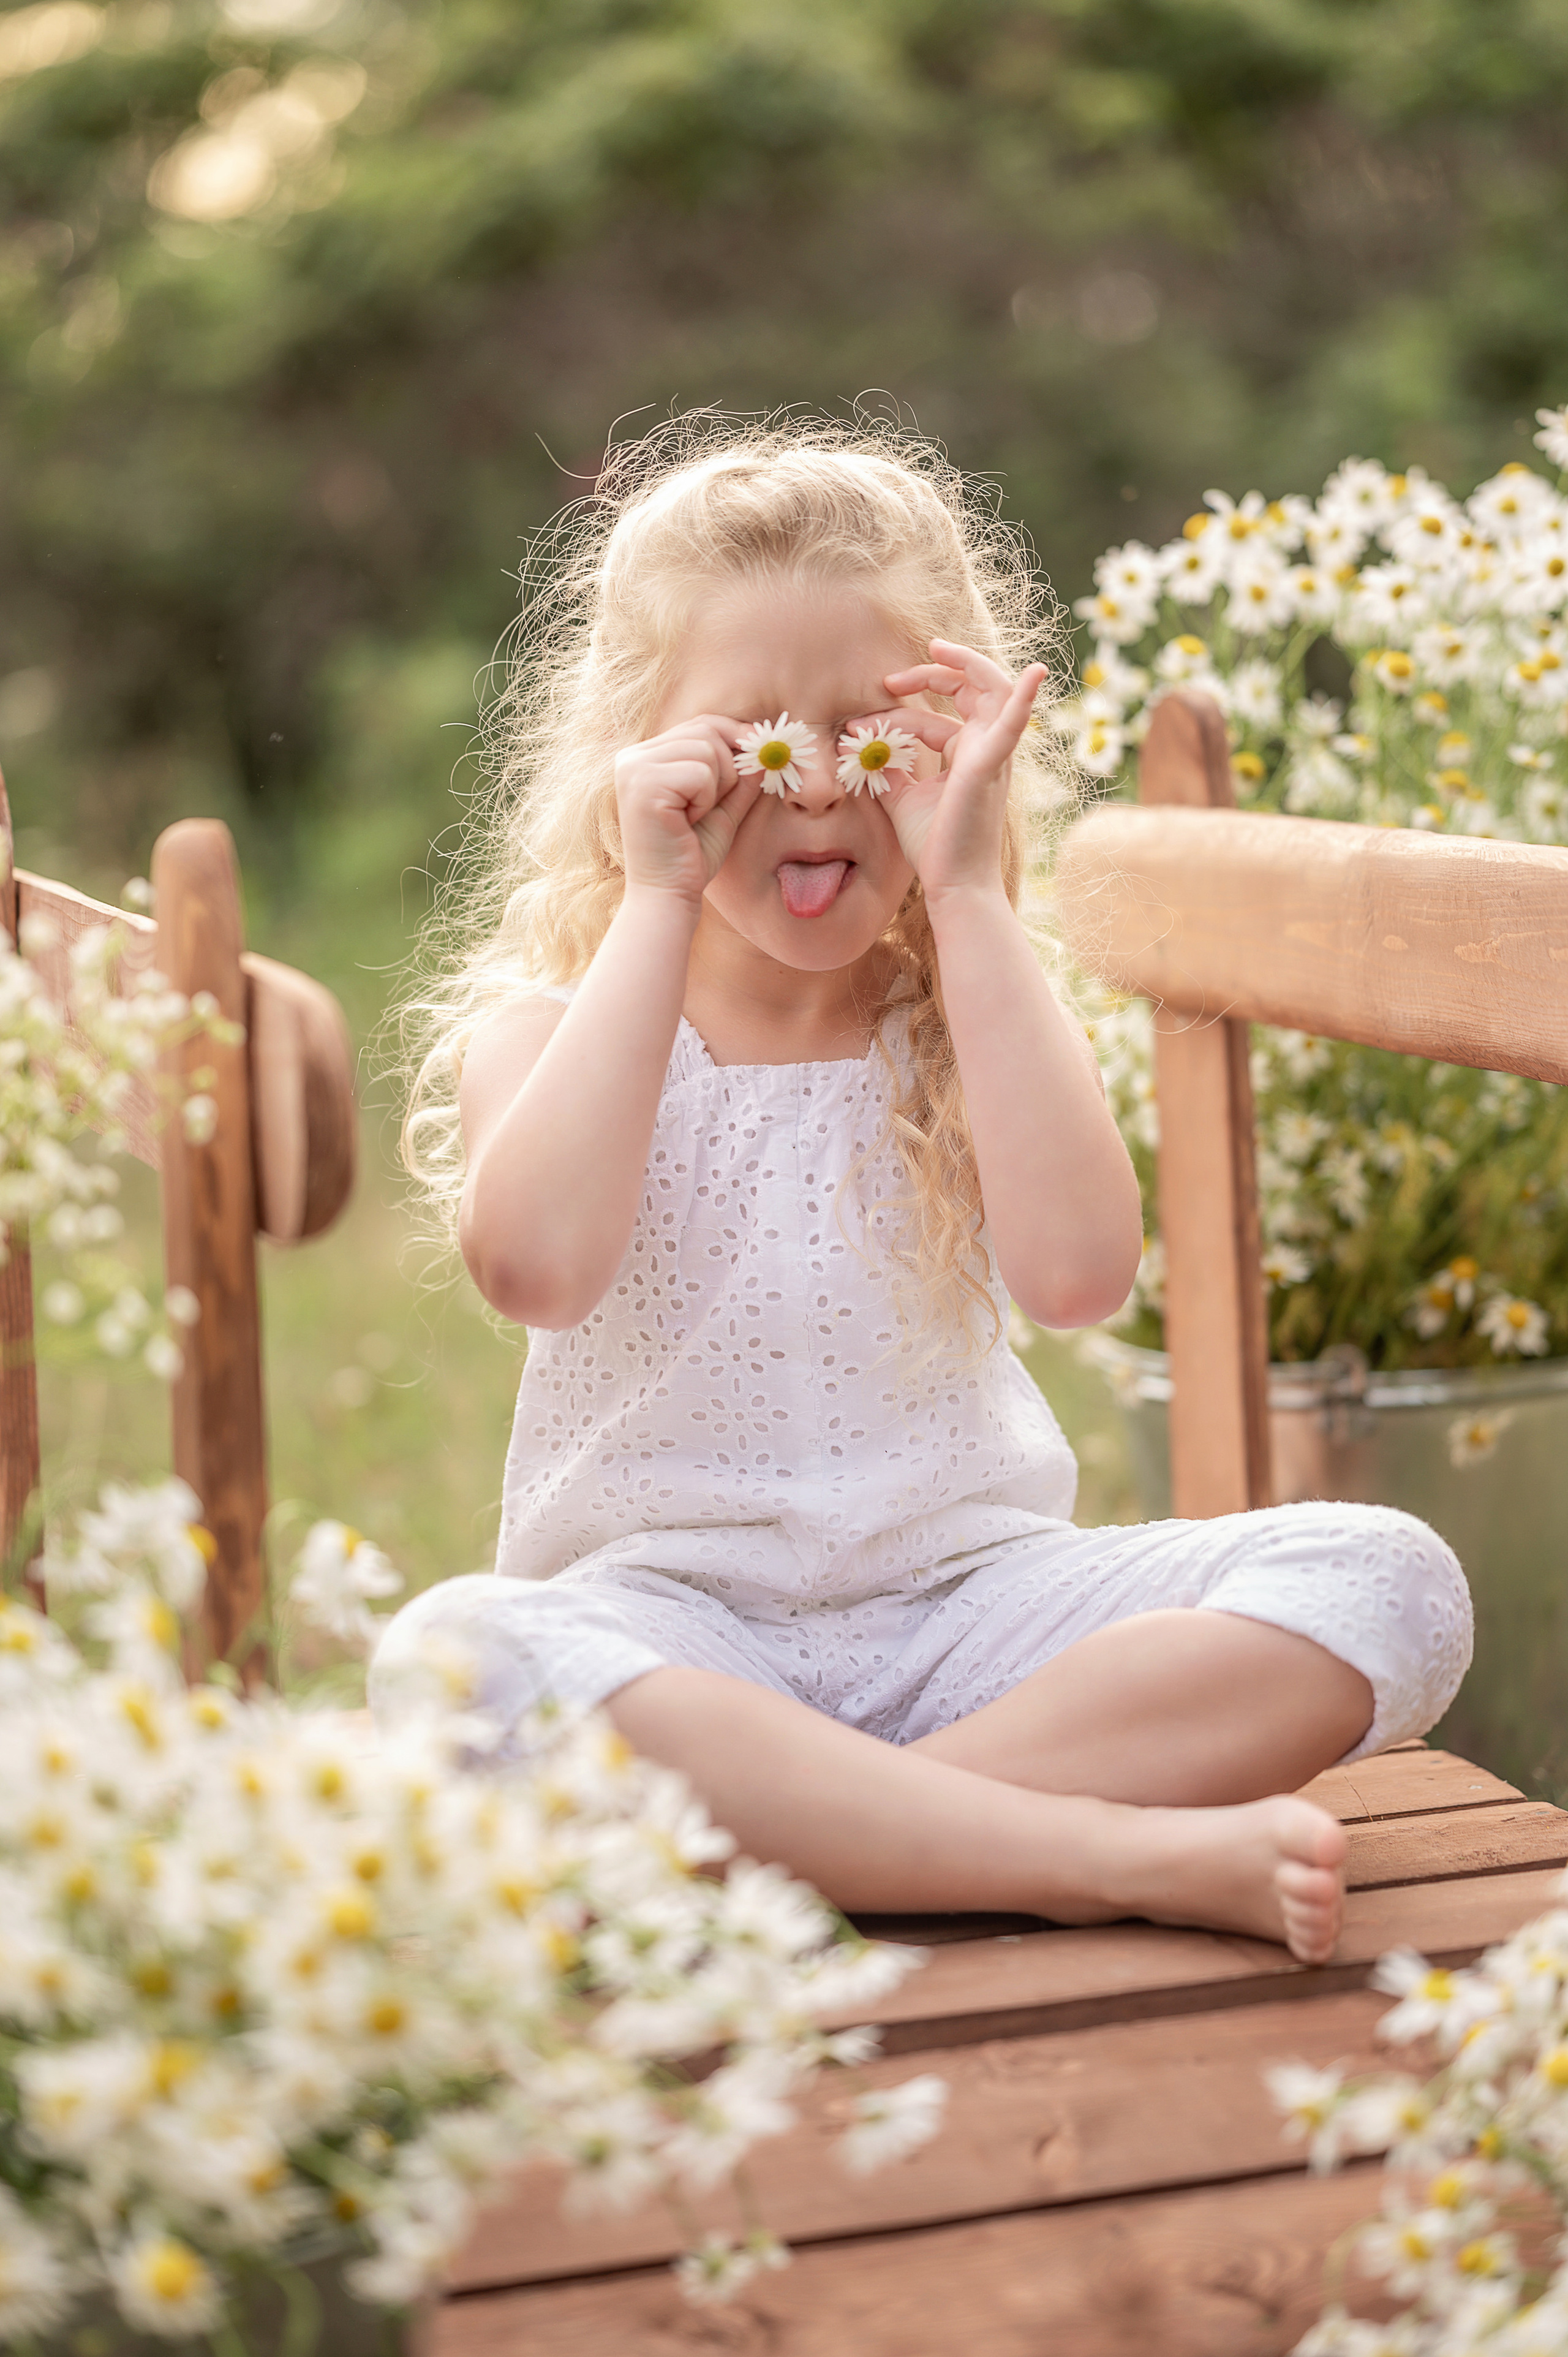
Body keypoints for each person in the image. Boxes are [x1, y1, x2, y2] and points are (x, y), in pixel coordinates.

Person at [374, 419, 1472, 1964]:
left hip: (978, 1623)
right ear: (642, 761)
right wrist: (653, 902)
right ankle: (1078, 1854)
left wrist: (964, 893)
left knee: (1390, 1579)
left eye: (871, 735)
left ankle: (839, 1846)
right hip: (677, 1632)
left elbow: (1083, 1275)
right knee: (457, 1658)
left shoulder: (958, 1024)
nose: (815, 786)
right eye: (751, 740)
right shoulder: (558, 1032)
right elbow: (538, 1269)